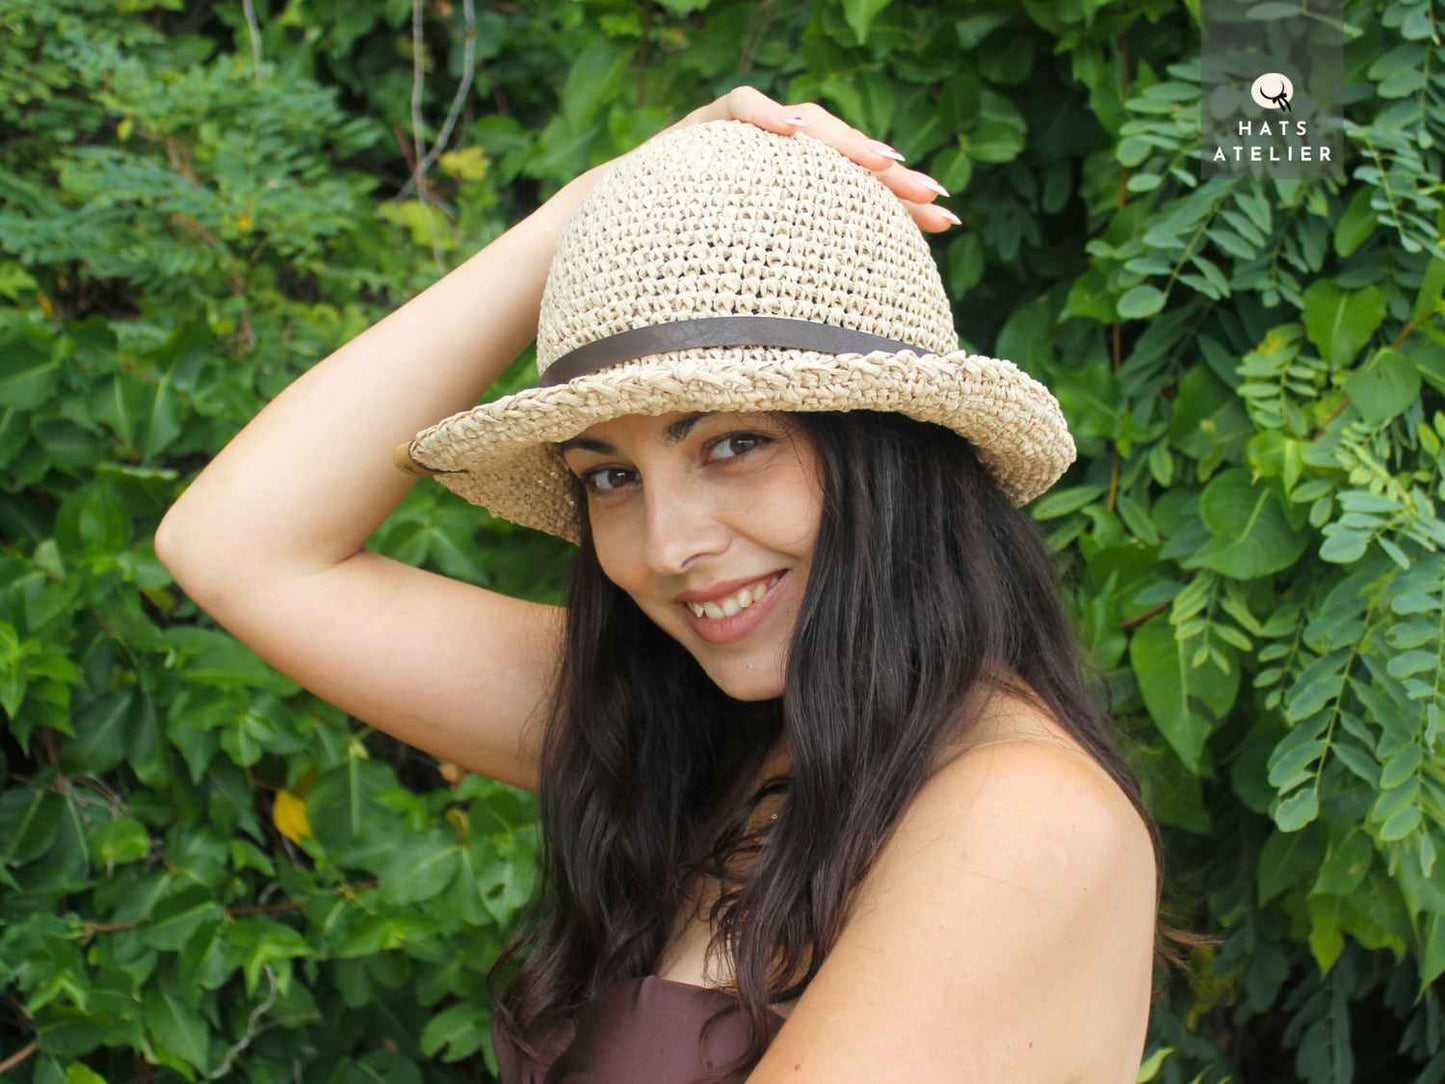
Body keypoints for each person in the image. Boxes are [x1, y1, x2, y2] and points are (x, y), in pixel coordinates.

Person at [157, 87, 1206, 1084]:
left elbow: (243, 552)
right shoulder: (700, 733)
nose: (665, 546)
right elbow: (239, 544)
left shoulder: (1016, 816)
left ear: (890, 450)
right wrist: (595, 199)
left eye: (732, 444)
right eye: (609, 475)